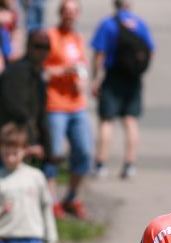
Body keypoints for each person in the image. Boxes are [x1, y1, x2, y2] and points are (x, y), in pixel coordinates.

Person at [90, 0, 154, 179]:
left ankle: (101, 164)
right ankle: (129, 164)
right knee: (131, 120)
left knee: (106, 121)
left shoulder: (107, 24)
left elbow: (99, 53)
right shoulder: (140, 23)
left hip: (113, 77)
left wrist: (96, 78)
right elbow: (151, 50)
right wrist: (139, 69)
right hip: (133, 79)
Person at [43, 0, 92, 219]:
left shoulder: (77, 38)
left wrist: (82, 81)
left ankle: (72, 197)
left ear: (78, 14)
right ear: (60, 13)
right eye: (66, 11)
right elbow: (42, 71)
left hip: (77, 105)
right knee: (54, 154)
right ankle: (51, 201)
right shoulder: (50, 36)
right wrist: (65, 69)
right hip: (55, 105)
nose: (70, 15)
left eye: (74, 11)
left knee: (84, 152)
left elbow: (82, 66)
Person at [0, 29, 51, 164]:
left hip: (27, 143)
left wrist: (47, 149)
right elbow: (18, 112)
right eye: (38, 46)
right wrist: (31, 143)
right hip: (11, 142)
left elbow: (40, 114)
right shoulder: (16, 71)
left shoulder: (38, 73)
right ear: (28, 47)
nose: (42, 51)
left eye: (46, 47)